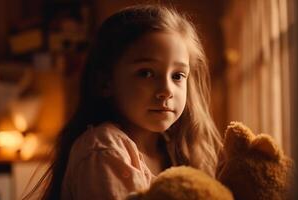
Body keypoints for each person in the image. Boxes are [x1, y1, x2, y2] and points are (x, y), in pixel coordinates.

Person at [27, 4, 223, 200]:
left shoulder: (175, 149)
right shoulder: (104, 149)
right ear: (105, 82)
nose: (166, 91)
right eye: (146, 73)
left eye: (178, 76)